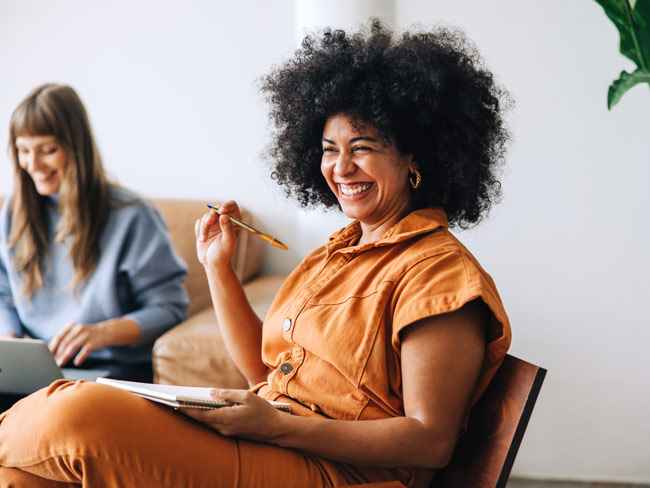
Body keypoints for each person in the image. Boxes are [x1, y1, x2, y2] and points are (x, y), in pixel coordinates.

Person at [0, 22, 511, 488]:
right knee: (23, 476)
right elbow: (263, 376)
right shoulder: (336, 254)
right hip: (275, 442)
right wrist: (217, 267)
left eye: (362, 147)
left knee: (75, 415)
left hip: (342, 474)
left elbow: (430, 441)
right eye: (329, 149)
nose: (340, 167)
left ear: (416, 157)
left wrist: (281, 428)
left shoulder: (440, 273)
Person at [0, 83, 189, 388]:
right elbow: (3, 294)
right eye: (23, 151)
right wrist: (11, 347)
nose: (32, 165)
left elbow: (170, 309)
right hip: (37, 374)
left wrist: (101, 333)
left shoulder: (132, 215)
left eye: (47, 150)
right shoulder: (13, 212)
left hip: (109, 376)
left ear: (76, 148)